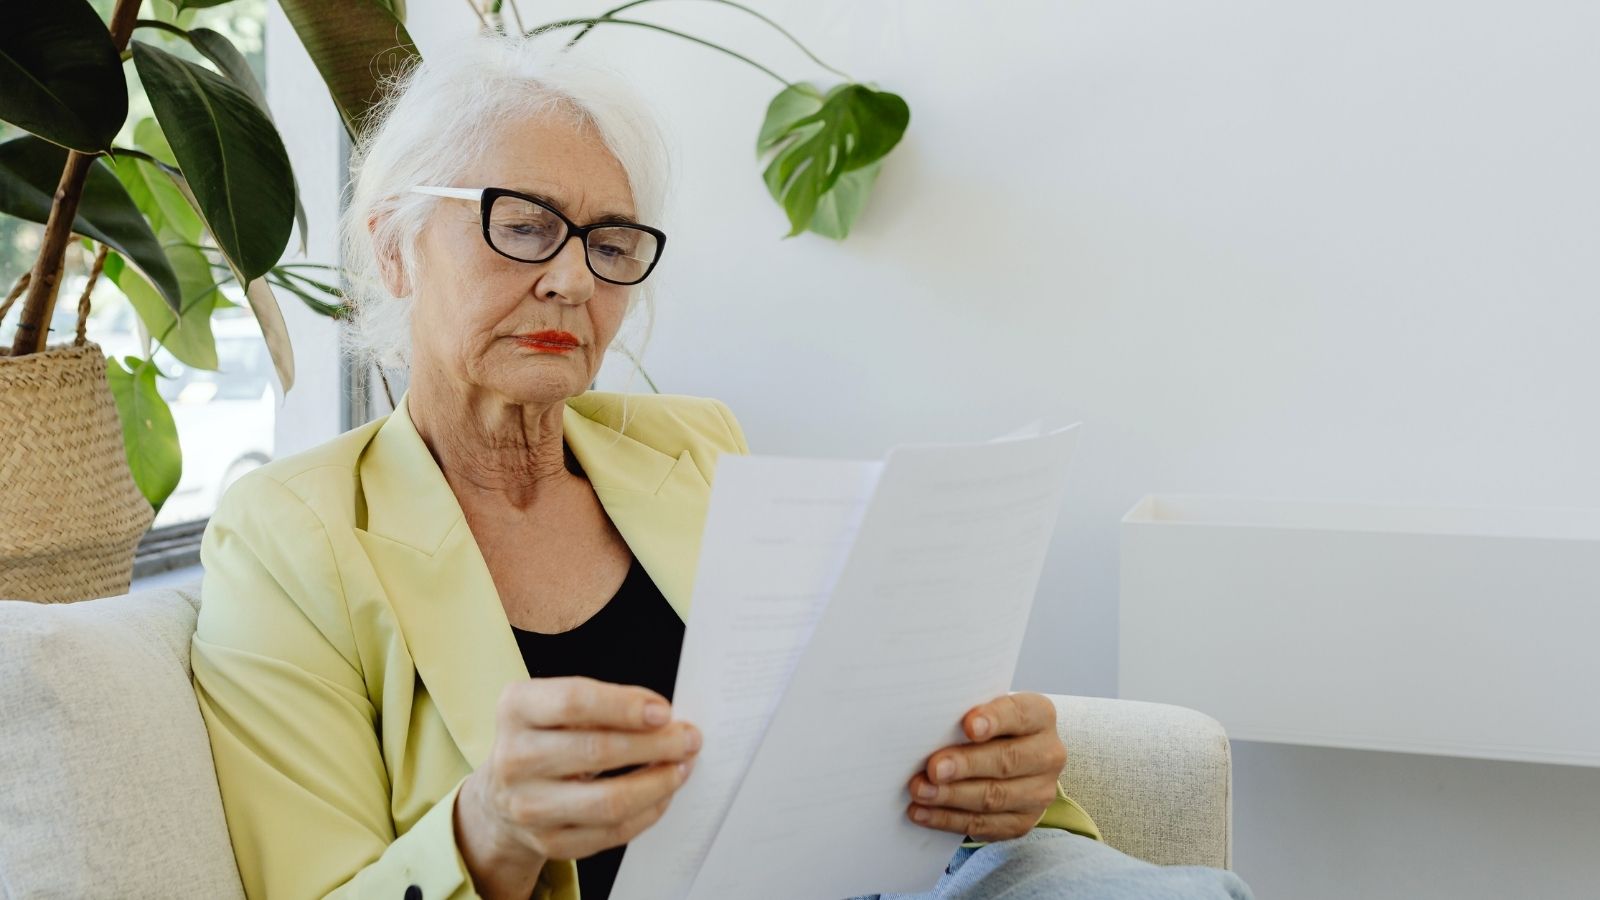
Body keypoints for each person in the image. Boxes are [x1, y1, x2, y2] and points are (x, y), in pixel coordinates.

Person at [190, 33, 1253, 900]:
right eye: (522, 227)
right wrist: (490, 825)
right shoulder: (290, 531)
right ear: (391, 246)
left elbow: (855, 729)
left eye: (610, 245)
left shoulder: (691, 444)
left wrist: (998, 775)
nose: (571, 281)